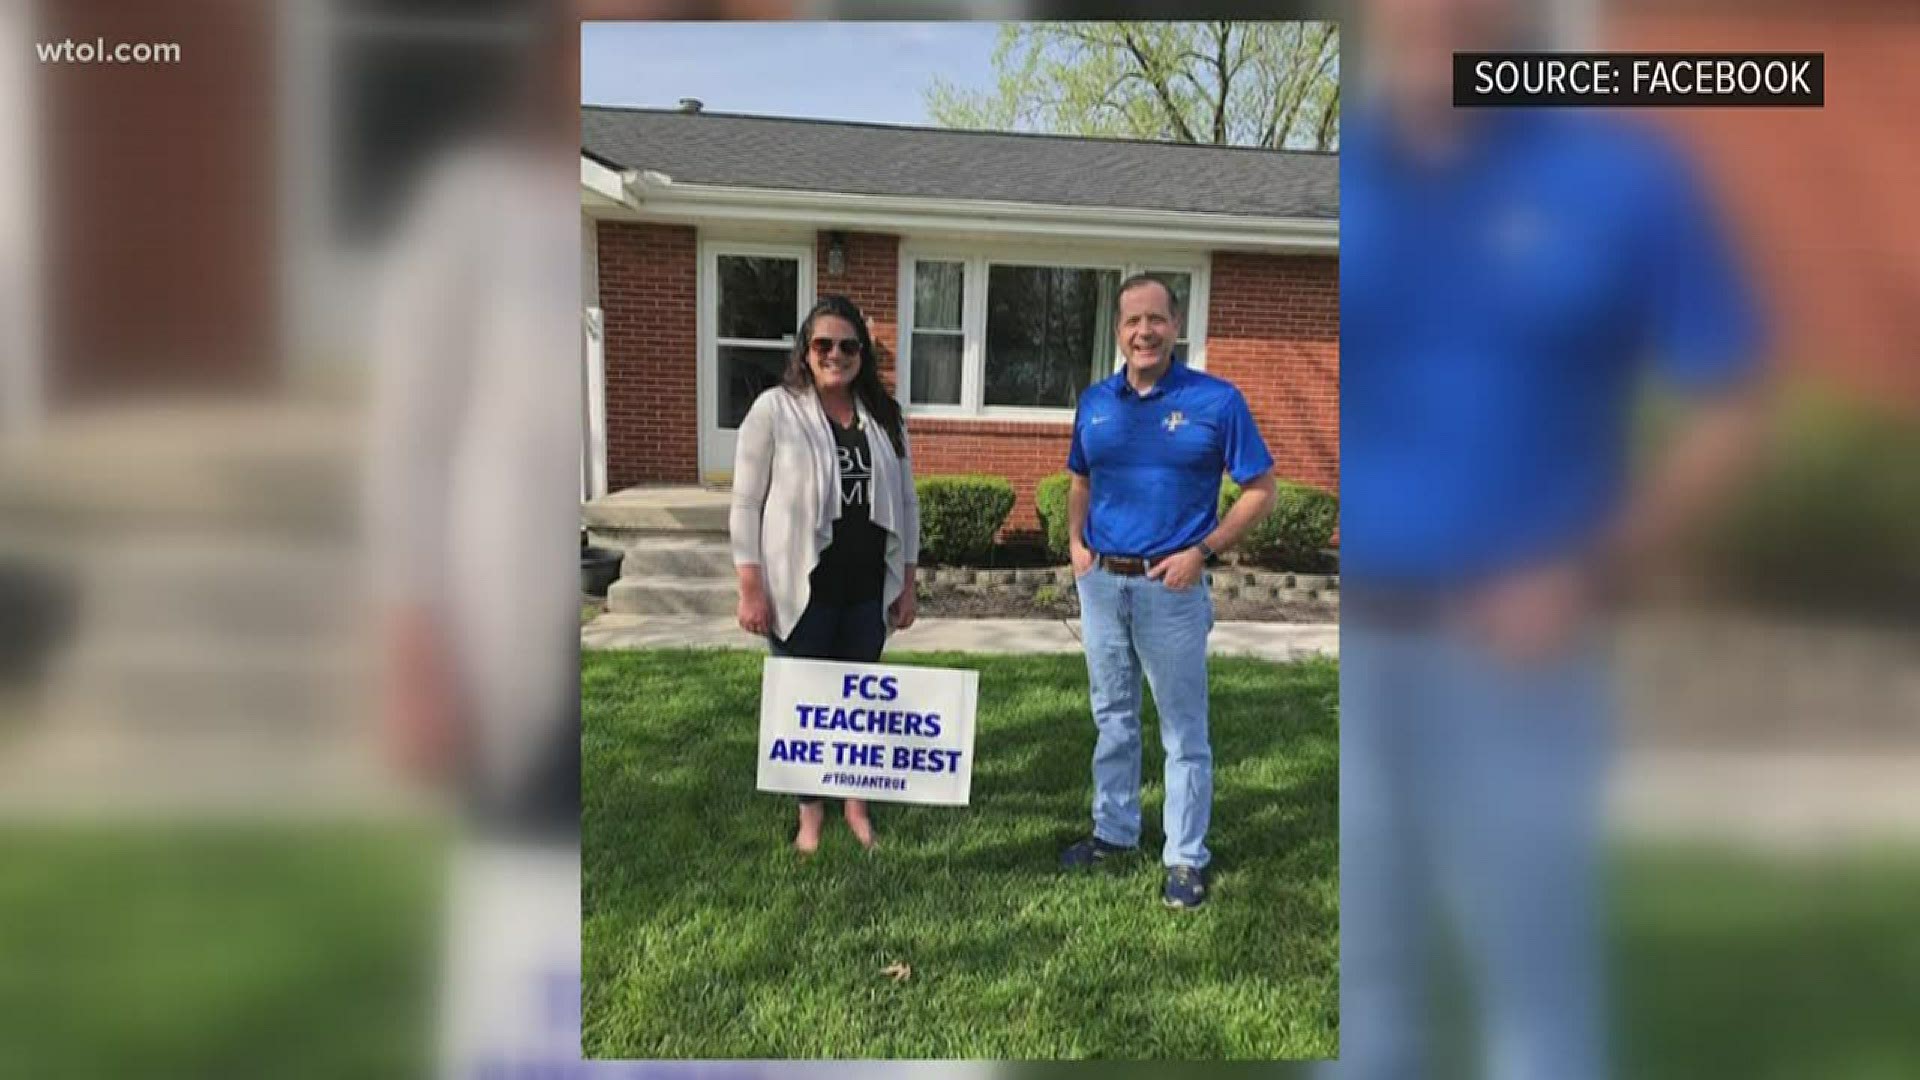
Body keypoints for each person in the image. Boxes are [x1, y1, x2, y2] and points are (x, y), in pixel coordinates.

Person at [1334, 1, 1767, 1076]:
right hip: (1359, 647)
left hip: (1522, 656)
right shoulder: (1342, 172)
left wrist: (1592, 570)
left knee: (1534, 992)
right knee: (1363, 983)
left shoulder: (1620, 176)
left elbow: (1732, 401)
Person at [1057, 273, 1278, 910]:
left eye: (1156, 319)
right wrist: (1076, 544)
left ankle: (1185, 857)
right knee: (1113, 718)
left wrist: (1202, 552)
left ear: (1175, 326)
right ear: (1119, 331)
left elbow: (1262, 489)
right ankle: (1115, 832)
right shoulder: (1096, 402)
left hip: (1171, 589)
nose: (1144, 331)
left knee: (1184, 732)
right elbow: (1079, 479)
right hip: (1102, 585)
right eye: (1132, 321)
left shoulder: (1216, 401)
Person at [730, 294, 920, 854]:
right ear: (805, 352)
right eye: (823, 345)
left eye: (848, 345)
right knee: (805, 702)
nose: (836, 354)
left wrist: (907, 581)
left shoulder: (884, 415)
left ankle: (856, 806)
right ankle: (810, 816)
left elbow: (906, 503)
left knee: (857, 700)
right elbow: (745, 502)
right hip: (800, 586)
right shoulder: (775, 409)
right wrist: (750, 585)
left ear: (862, 352)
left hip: (866, 587)